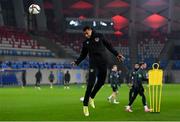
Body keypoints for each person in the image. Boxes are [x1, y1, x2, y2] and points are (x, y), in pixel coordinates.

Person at [71, 26, 124, 116]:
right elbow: (83, 55)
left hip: (103, 62)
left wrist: (117, 54)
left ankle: (92, 97)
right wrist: (77, 61)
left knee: (101, 82)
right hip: (93, 64)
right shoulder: (85, 43)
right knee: (90, 84)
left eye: (87, 33)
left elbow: (109, 45)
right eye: (84, 34)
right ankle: (85, 106)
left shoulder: (99, 36)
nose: (86, 35)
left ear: (90, 30)